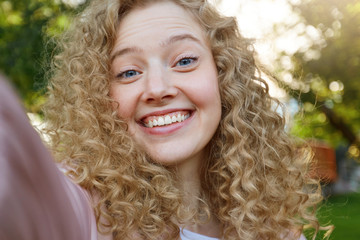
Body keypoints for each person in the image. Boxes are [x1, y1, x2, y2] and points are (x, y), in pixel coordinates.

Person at [0, 0, 328, 239]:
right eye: (128, 72)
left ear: (224, 77)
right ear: (99, 95)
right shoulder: (86, 208)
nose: (157, 89)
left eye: (184, 61)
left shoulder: (271, 224)